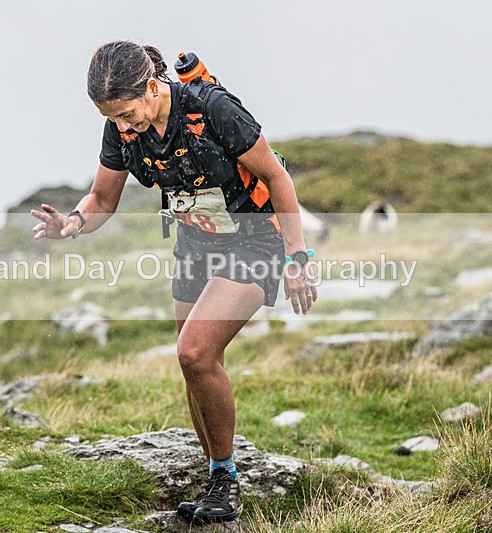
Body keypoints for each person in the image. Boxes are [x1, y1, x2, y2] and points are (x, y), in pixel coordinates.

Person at [31, 40, 318, 525]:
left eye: (126, 113)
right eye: (111, 118)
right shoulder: (120, 130)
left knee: (193, 351)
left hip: (254, 239)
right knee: (196, 365)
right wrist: (74, 223)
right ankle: (215, 476)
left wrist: (297, 259)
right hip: (196, 239)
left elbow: (278, 178)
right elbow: (101, 200)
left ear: (150, 86)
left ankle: (226, 482)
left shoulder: (212, 109)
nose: (123, 126)